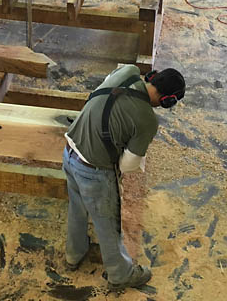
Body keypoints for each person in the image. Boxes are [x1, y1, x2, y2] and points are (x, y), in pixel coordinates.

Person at [62, 64, 185, 291]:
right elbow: (128, 165)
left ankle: (73, 254)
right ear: (167, 100)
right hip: (93, 170)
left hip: (70, 151)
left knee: (77, 207)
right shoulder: (148, 120)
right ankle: (120, 274)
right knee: (107, 223)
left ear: (152, 77)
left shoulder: (127, 71)